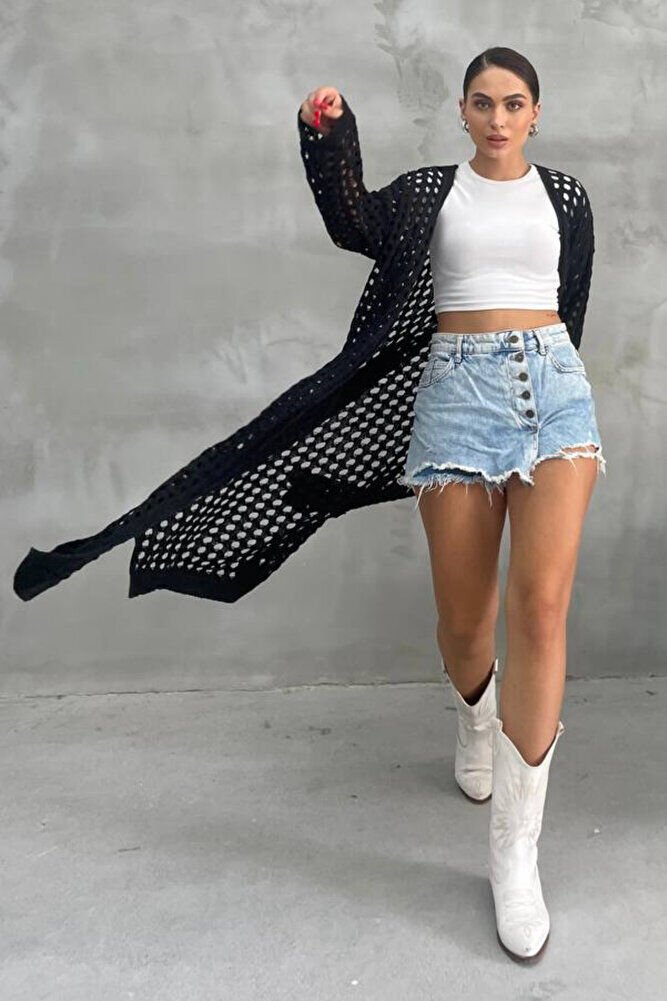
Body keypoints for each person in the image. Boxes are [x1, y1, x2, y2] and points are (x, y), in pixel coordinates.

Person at [300, 47, 605, 964]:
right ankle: (475, 715)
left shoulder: (566, 197)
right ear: (462, 113)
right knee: (466, 621)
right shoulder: (432, 192)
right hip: (455, 396)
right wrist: (327, 135)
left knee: (539, 608)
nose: (498, 118)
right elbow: (352, 221)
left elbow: (570, 301)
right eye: (482, 103)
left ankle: (514, 851)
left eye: (514, 103)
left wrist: (548, 377)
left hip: (553, 391)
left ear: (535, 113)